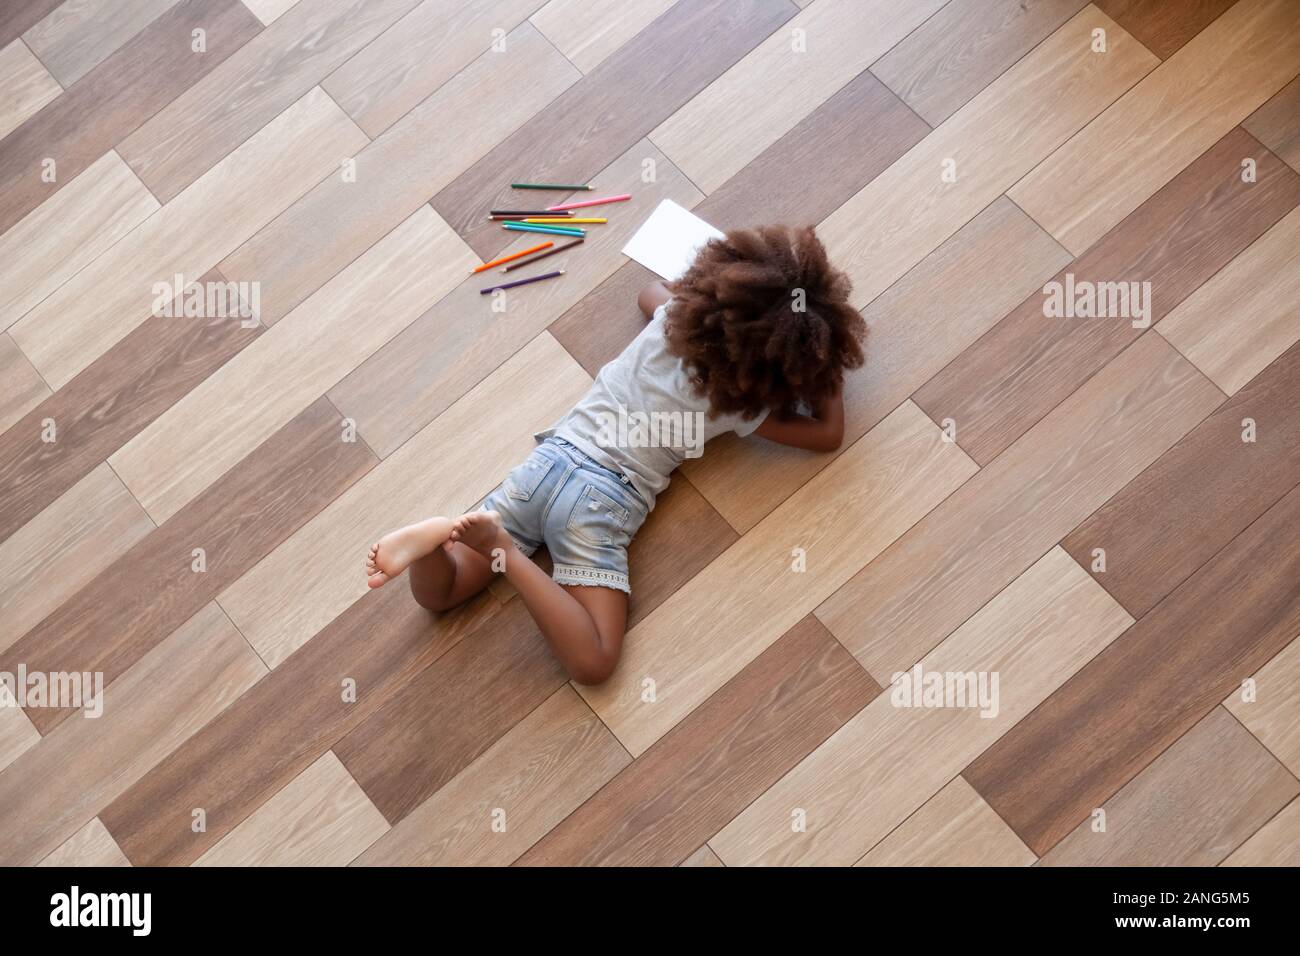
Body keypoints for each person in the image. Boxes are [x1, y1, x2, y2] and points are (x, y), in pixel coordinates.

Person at [365, 225, 866, 684]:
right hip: (602, 502)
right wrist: (822, 363)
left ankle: (434, 544)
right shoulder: (737, 406)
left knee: (441, 594)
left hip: (549, 461)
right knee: (595, 660)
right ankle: (508, 554)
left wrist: (707, 290)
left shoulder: (668, 319)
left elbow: (648, 292)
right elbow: (827, 434)